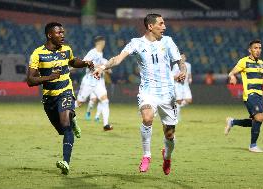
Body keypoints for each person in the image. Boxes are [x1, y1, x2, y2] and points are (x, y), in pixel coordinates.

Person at [93, 13, 186, 175]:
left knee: (170, 134)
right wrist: (102, 67)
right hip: (148, 91)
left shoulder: (168, 41)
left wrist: (183, 71)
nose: (164, 27)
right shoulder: (136, 43)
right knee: (147, 117)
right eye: (161, 24)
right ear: (150, 26)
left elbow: (180, 61)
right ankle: (146, 155)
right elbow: (117, 59)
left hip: (167, 94)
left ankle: (167, 156)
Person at [27, 22, 94, 175]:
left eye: (63, 32)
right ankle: (72, 118)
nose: (62, 35)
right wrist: (49, 77)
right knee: (63, 130)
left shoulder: (66, 49)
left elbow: (72, 61)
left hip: (65, 92)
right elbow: (30, 80)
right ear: (50, 35)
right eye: (59, 33)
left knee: (65, 123)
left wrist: (84, 63)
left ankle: (65, 162)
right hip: (49, 99)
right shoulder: (37, 54)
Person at [225, 39, 263, 153]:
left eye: (259, 48)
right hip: (250, 94)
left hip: (258, 94)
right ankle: (253, 145)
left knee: (255, 121)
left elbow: (260, 81)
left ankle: (232, 122)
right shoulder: (244, 61)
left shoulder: (261, 63)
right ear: (250, 50)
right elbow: (231, 72)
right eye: (255, 48)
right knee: (260, 117)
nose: (258, 50)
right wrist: (232, 77)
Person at [76, 36, 113, 131]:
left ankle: (106, 125)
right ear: (100, 42)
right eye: (103, 42)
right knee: (79, 103)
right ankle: (62, 112)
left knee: (105, 101)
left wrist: (104, 67)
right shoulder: (93, 52)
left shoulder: (101, 53)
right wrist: (98, 66)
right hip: (89, 81)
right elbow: (84, 62)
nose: (104, 44)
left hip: (98, 81)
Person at [172, 53, 192, 120]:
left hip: (186, 85)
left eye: (183, 57)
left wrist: (190, 78)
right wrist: (178, 78)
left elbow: (189, 73)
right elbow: (172, 76)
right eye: (181, 57)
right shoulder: (176, 66)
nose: (182, 58)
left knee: (189, 100)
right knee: (179, 100)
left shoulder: (188, 65)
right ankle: (176, 116)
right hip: (178, 85)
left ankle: (176, 107)